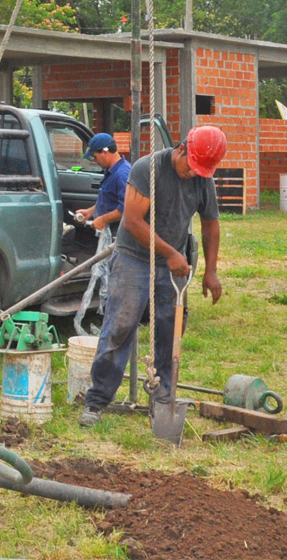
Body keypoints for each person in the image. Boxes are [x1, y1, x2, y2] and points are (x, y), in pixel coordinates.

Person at [78, 125, 227, 427]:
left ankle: (163, 402)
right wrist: (172, 253)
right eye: (191, 166)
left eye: (200, 170)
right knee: (120, 326)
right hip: (134, 257)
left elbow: (211, 224)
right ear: (182, 149)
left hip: (170, 267)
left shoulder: (202, 177)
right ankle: (97, 401)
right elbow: (132, 221)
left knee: (170, 331)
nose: (192, 174)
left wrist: (210, 271)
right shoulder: (149, 168)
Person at [75, 132, 131, 236]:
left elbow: (126, 208)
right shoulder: (111, 171)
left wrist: (103, 220)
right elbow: (110, 200)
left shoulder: (122, 174)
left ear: (105, 152)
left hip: (118, 233)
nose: (95, 161)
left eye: (95, 156)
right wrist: (91, 211)